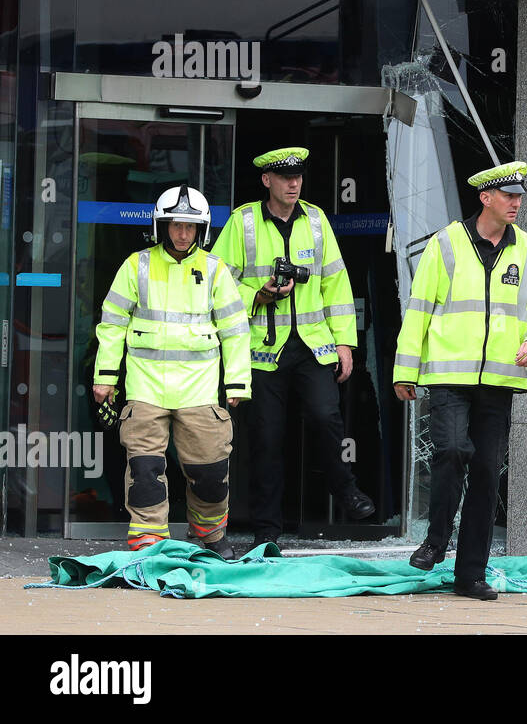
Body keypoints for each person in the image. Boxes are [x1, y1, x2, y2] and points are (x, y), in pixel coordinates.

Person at [394, 160, 527, 600]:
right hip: (449, 375)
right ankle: (436, 540)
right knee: (450, 450)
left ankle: (471, 574)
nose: (516, 203)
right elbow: (419, 310)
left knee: (486, 472)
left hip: (500, 381)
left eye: (520, 196)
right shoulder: (445, 244)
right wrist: (404, 371)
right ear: (485, 198)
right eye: (509, 196)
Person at [211, 147, 375, 549]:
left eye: (298, 176)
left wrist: (344, 342)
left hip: (313, 345)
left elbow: (336, 284)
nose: (294, 183)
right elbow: (217, 281)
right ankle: (268, 529)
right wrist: (257, 294)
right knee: (267, 439)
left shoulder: (317, 220)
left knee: (325, 417)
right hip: (263, 350)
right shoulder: (243, 222)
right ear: (267, 181)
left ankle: (345, 487)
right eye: (285, 177)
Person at [92, 185, 251, 560]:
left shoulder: (215, 270)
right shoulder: (137, 265)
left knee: (211, 473)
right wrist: (105, 377)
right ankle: (149, 543)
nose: (183, 234)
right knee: (145, 471)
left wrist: (238, 381)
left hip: (198, 390)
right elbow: (112, 324)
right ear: (162, 226)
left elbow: (235, 329)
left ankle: (211, 534)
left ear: (202, 230)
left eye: (190, 227)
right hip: (146, 387)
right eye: (176, 225)